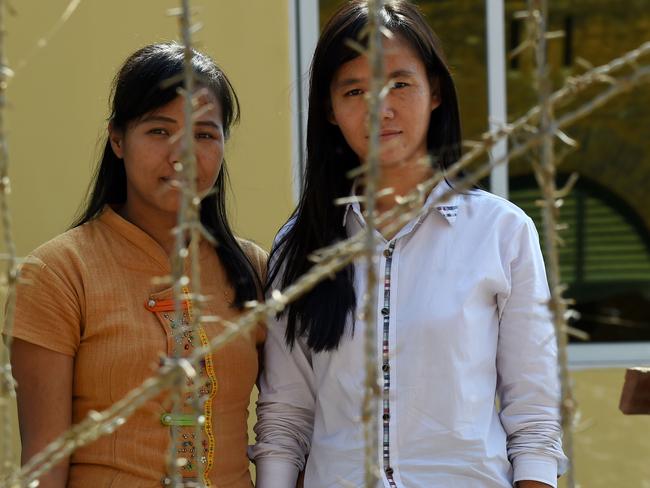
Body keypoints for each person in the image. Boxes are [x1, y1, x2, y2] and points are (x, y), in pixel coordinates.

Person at [251, 1, 567, 487]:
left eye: (399, 83)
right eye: (354, 89)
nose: (380, 107)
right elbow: (285, 417)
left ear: (435, 91)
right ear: (331, 111)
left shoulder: (501, 232)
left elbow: (536, 418)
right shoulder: (299, 246)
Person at [7, 42, 266, 487]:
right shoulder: (57, 273)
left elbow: (292, 425)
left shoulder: (255, 269)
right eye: (160, 131)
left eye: (205, 134)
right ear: (117, 139)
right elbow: (44, 464)